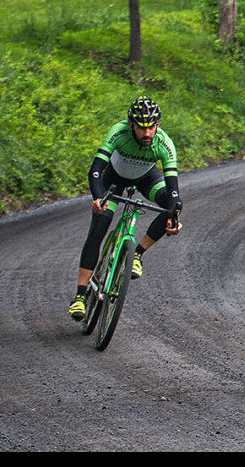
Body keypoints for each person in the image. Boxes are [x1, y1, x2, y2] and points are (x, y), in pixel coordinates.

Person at [68, 96, 183, 321]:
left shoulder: (164, 143)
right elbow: (95, 170)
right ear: (131, 125)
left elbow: (173, 190)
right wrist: (98, 198)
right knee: (100, 226)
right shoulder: (119, 132)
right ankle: (80, 296)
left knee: (173, 206)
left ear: (157, 125)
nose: (147, 133)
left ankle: (137, 254)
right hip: (114, 179)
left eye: (151, 127)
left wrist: (174, 216)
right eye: (141, 128)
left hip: (145, 178)